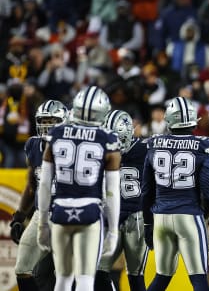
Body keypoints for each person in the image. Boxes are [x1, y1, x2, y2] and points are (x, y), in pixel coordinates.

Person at [36, 86, 121, 291]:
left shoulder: (56, 134)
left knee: (63, 279)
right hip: (89, 212)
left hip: (60, 212)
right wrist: (113, 230)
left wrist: (42, 224)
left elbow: (45, 184)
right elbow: (112, 192)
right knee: (85, 280)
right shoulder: (108, 139)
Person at [141, 97, 209, 291]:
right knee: (199, 279)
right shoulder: (203, 146)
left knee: (162, 277)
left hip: (160, 217)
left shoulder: (153, 143)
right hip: (188, 216)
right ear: (192, 120)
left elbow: (147, 190)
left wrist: (147, 222)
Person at [12, 100, 67, 291]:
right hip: (41, 214)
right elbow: (30, 185)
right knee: (23, 269)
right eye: (43, 121)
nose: (47, 125)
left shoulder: (74, 147)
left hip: (68, 216)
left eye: (52, 120)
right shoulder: (33, 145)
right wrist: (19, 214)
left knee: (69, 276)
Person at [96, 110, 149, 291]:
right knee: (98, 270)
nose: (114, 143)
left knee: (135, 275)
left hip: (137, 217)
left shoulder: (145, 149)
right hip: (112, 217)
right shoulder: (100, 151)